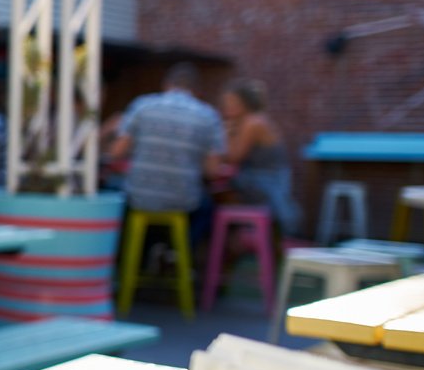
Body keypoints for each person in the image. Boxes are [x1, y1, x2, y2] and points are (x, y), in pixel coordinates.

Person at [108, 62, 225, 245]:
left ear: (166, 85)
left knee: (112, 190)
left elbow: (116, 152)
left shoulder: (142, 106)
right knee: (207, 208)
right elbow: (212, 170)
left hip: (139, 198)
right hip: (183, 201)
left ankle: (131, 259)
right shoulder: (208, 116)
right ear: (196, 90)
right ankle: (179, 258)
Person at [221, 79, 301, 236]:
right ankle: (240, 235)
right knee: (223, 187)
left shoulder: (253, 122)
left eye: (232, 103)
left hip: (268, 183)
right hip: (266, 180)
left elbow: (233, 157)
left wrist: (228, 133)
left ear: (244, 103)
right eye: (226, 103)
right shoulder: (252, 120)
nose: (228, 108)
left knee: (219, 191)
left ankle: (237, 236)